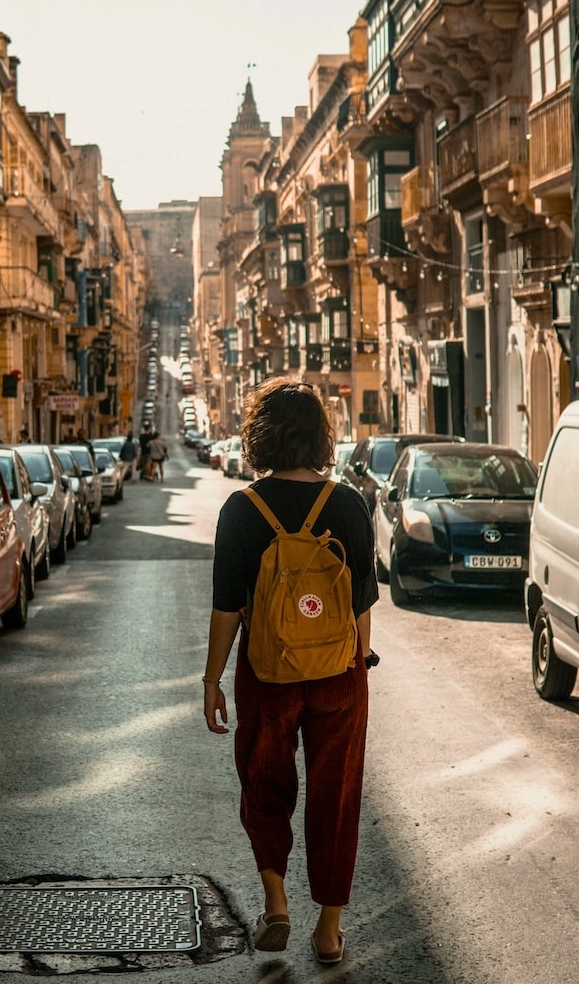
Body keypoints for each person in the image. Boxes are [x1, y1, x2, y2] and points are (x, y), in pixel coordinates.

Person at [203, 378, 378, 965]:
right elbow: (361, 602)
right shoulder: (348, 504)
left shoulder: (241, 509)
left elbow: (227, 606)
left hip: (267, 672)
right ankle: (328, 931)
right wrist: (359, 663)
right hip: (338, 674)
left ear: (261, 437)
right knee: (337, 796)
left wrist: (211, 680)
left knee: (264, 784)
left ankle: (276, 904)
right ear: (320, 437)